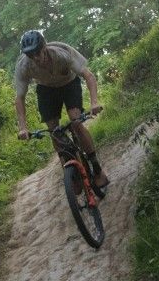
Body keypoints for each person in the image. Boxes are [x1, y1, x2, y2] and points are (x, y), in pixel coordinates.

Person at [14, 30, 109, 189]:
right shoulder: (23, 66)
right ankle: (70, 172)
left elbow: (88, 76)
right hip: (46, 89)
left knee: (76, 122)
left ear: (44, 47)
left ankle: (97, 168)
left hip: (69, 84)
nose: (35, 57)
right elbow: (19, 98)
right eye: (30, 55)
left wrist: (94, 103)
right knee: (54, 132)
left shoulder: (62, 53)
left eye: (37, 52)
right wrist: (23, 127)